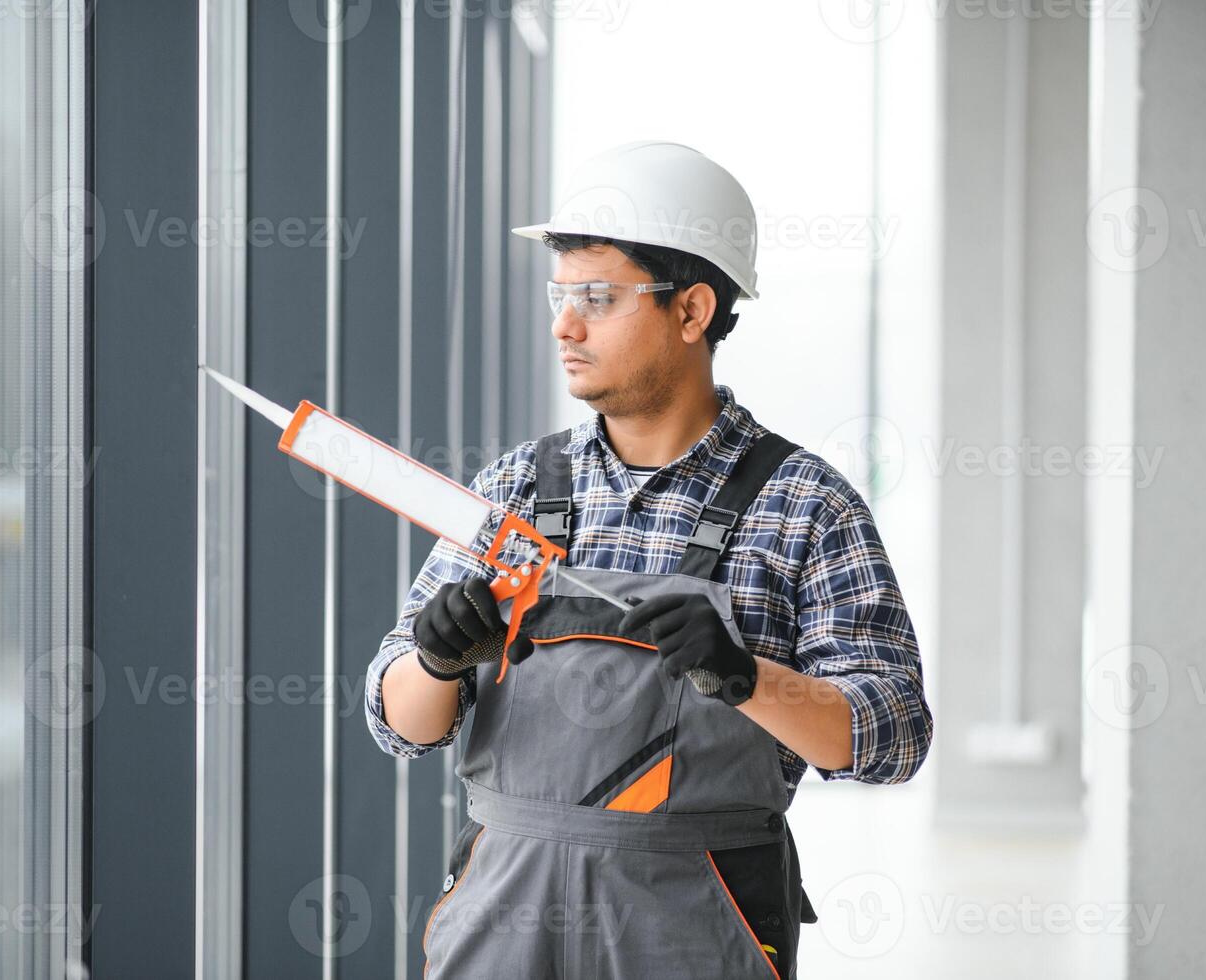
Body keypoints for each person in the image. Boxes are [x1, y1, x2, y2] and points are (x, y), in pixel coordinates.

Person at [365, 140, 932, 979]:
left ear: (692, 310)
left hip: (693, 925)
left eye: (597, 297)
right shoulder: (514, 489)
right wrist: (435, 660)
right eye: (560, 295)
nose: (564, 323)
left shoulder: (803, 504)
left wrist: (746, 677)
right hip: (501, 917)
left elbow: (893, 734)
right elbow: (397, 725)